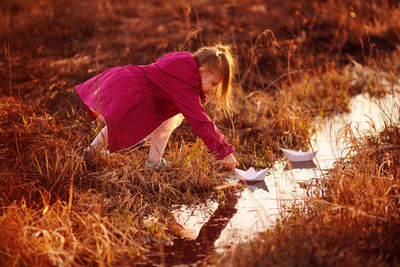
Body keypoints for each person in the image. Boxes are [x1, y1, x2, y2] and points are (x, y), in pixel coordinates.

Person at [75, 44, 239, 171]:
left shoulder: (184, 62)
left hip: (137, 88)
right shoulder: (185, 85)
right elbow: (201, 121)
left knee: (167, 121)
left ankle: (154, 161)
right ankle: (90, 152)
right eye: (213, 83)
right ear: (202, 71)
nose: (212, 89)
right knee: (118, 123)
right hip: (134, 94)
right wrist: (224, 151)